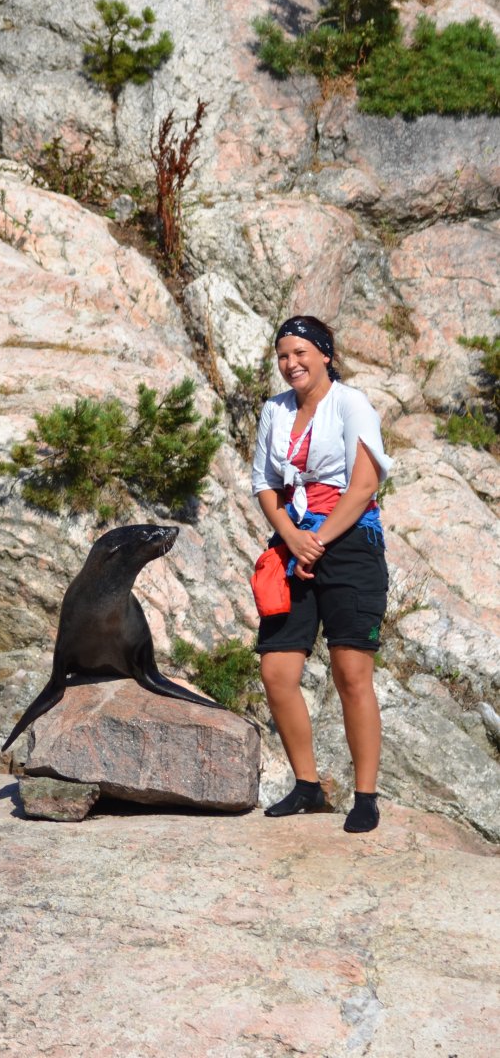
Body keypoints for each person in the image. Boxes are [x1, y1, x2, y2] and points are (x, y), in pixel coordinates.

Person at [250, 315, 393, 833]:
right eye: (283, 355)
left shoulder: (350, 403)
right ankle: (307, 786)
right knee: (277, 671)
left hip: (350, 543)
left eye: (301, 353)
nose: (291, 364)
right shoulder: (275, 410)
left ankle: (365, 796)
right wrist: (292, 538)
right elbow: (265, 484)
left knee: (352, 673)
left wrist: (318, 541)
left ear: (325, 355)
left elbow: (363, 484)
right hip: (294, 542)